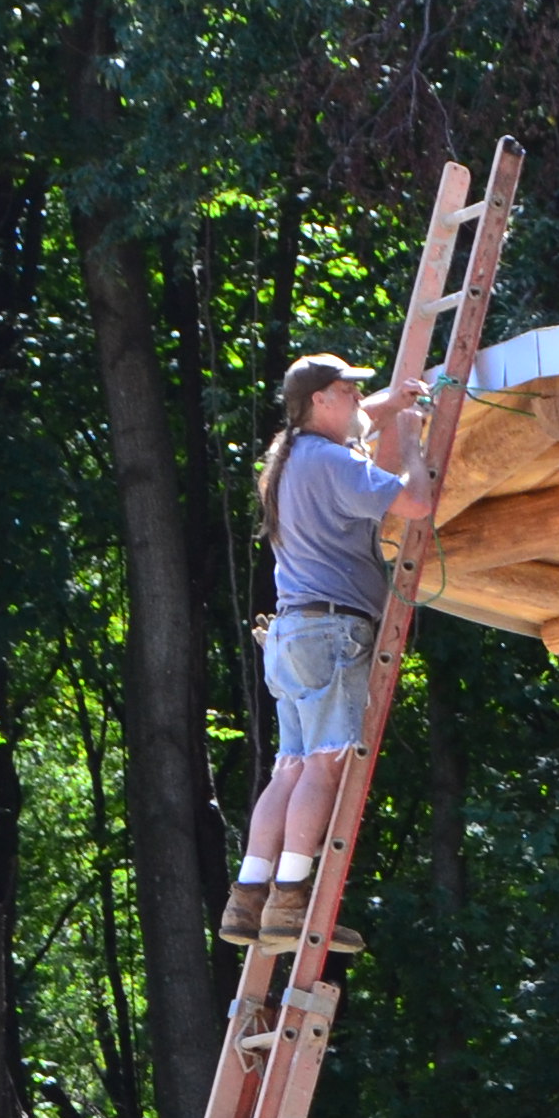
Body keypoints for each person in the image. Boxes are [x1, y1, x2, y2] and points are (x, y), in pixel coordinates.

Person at [225, 350, 417, 955]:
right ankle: (290, 902)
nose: (361, 398)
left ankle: (249, 896)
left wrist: (396, 402)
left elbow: (364, 420)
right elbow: (416, 503)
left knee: (291, 766)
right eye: (350, 390)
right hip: (332, 634)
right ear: (320, 401)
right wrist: (410, 438)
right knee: (326, 764)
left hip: (289, 637)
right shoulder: (331, 461)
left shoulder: (290, 458)